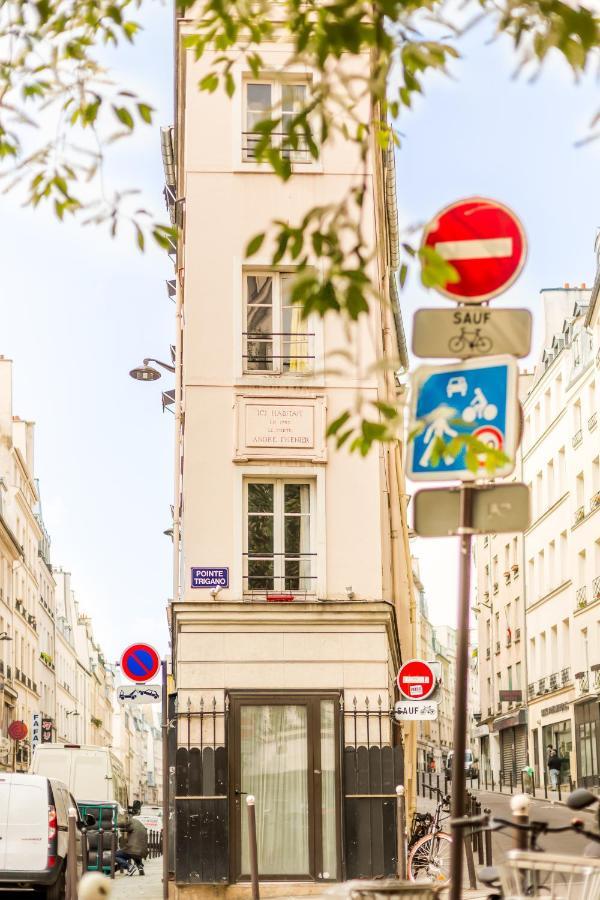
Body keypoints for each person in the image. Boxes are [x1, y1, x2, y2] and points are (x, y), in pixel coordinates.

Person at [116, 812, 148, 876]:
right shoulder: (139, 824)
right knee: (136, 853)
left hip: (133, 849)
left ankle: (129, 867)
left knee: (115, 855)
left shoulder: (130, 822)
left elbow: (123, 826)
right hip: (143, 851)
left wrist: (116, 826)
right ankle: (140, 867)